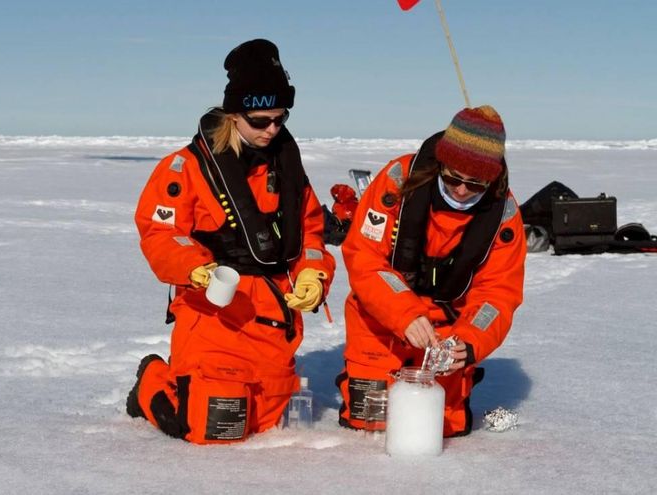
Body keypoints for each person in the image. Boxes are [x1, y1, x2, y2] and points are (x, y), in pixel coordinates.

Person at [126, 39, 336, 444]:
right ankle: (151, 381)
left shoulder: (287, 169)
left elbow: (311, 232)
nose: (272, 129)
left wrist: (314, 274)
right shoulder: (185, 168)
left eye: (280, 119)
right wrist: (195, 268)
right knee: (213, 427)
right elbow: (160, 232)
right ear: (234, 114)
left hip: (273, 316)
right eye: (260, 121)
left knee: (264, 424)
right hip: (214, 314)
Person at [335, 105, 526, 437]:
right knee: (372, 424)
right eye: (453, 177)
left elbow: (498, 295)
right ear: (440, 163)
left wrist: (469, 343)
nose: (461, 190)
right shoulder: (397, 181)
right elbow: (365, 258)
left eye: (475, 183)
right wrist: (404, 314)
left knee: (437, 427)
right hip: (381, 316)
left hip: (447, 331)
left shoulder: (503, 217)